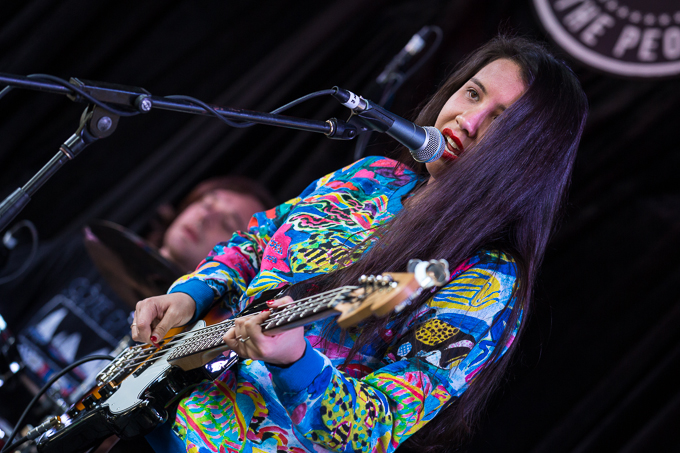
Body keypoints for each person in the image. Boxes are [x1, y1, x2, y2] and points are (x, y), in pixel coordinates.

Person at [132, 35, 588, 452]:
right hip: (156, 415)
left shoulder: (487, 279)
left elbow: (377, 428)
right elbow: (256, 241)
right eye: (472, 93)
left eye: (500, 120)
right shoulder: (372, 176)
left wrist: (295, 361)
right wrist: (192, 295)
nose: (467, 121)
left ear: (527, 154)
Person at [0, 175, 273, 420]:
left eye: (226, 223)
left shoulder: (198, 336)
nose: (204, 217)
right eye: (206, 203)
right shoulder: (88, 251)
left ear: (241, 254)